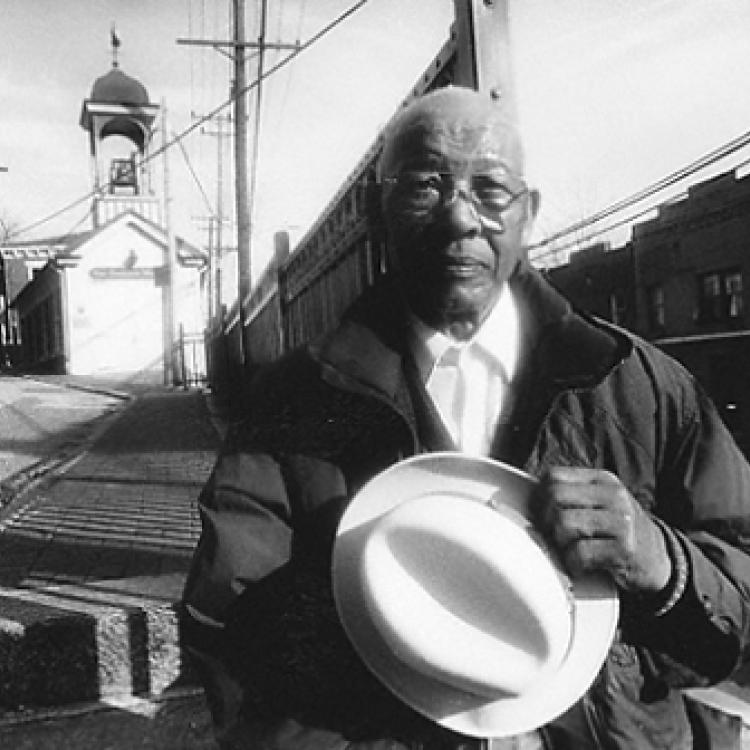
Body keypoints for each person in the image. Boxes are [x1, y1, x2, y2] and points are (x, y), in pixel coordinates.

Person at [182, 85, 750, 749]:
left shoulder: (640, 388)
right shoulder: (294, 405)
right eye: (425, 184)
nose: (460, 218)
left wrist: (661, 561)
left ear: (528, 213)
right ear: (376, 212)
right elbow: (232, 632)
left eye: (490, 189)